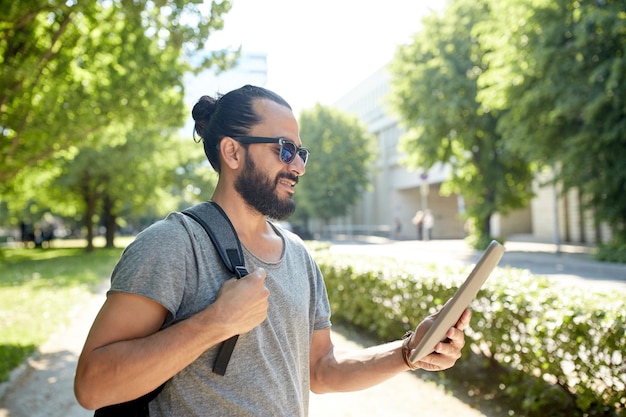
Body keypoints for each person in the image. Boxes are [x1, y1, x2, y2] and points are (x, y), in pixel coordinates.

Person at [74, 85, 471, 416]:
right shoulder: (172, 244)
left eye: (301, 152)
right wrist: (214, 323)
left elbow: (321, 370)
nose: (298, 166)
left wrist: (407, 353)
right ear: (232, 152)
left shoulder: (298, 255)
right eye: (284, 149)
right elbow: (93, 386)